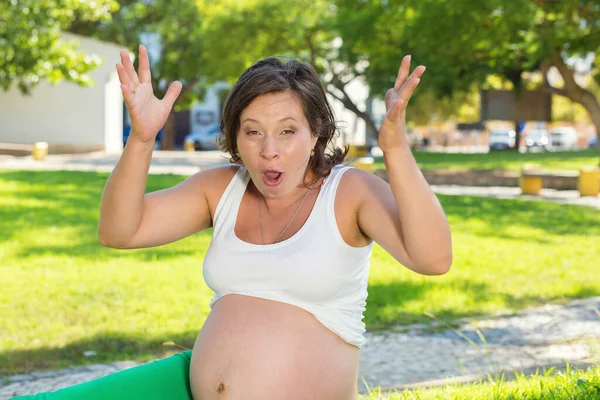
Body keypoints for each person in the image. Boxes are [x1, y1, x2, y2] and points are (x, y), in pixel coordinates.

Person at [13, 45, 452, 400]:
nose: (269, 150)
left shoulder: (350, 191)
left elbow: (433, 258)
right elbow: (118, 231)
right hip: (187, 386)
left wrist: (396, 149)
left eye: (287, 130)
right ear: (235, 135)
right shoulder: (220, 188)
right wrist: (142, 141)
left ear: (316, 131)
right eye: (252, 130)